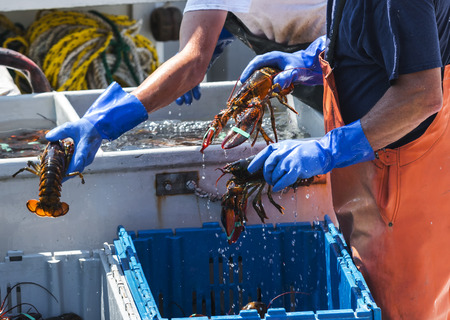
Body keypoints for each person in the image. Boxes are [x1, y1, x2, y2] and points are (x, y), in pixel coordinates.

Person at [240, 0, 450, 319]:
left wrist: (329, 149)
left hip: (402, 192)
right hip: (371, 181)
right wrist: (312, 59)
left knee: (402, 308)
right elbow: (378, 30)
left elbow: (421, 96)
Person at [45, 0, 326, 176]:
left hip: (346, 64)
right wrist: (213, 44)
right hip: (302, 85)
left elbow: (191, 66)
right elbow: (191, 56)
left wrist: (106, 122)